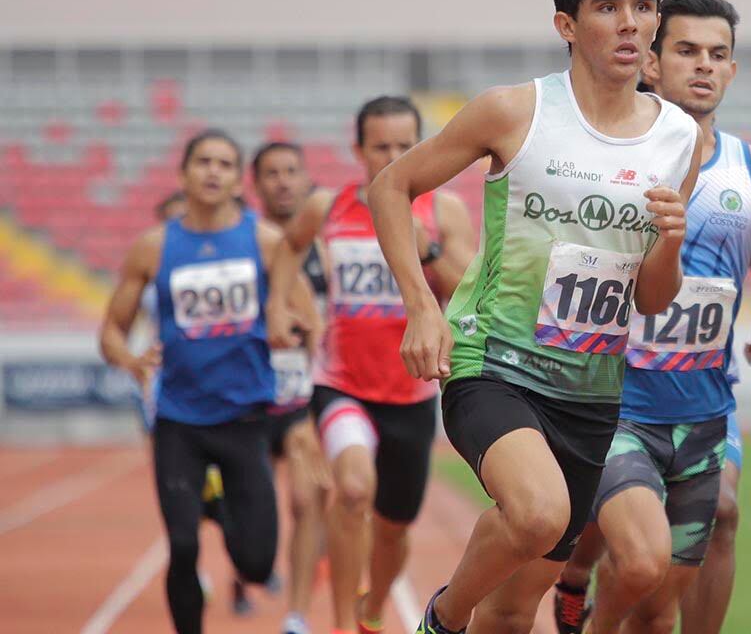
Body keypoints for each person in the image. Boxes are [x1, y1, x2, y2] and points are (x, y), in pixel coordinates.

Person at [367, 0, 703, 634]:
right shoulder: (515, 111)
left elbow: (651, 297)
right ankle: (443, 619)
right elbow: (391, 186)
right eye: (608, 7)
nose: (630, 23)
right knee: (539, 512)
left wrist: (670, 242)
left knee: (517, 609)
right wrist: (421, 308)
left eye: (643, 6)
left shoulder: (678, 137)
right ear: (567, 25)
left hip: (590, 392)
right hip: (494, 364)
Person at [550, 0, 751, 634]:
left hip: (704, 392)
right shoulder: (617, 155)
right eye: (686, 50)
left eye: (718, 54)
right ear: (651, 62)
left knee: (720, 519)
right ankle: (578, 573)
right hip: (617, 393)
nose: (704, 65)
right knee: (635, 546)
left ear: (732, 69)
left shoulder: (748, 163)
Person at [267, 97, 475, 634]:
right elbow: (288, 248)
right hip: (342, 386)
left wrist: (429, 252)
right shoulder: (328, 207)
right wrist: (278, 306)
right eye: (380, 146)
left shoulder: (443, 211)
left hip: (412, 391)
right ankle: (342, 624)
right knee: (354, 490)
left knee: (393, 528)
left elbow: (472, 289)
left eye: (405, 145)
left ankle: (372, 608)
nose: (393, 156)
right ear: (358, 150)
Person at [99, 129, 320, 634]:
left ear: (238, 180)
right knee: (182, 545)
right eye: (203, 162)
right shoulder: (154, 247)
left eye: (224, 163)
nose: (213, 171)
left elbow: (309, 319)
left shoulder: (265, 242)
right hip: (178, 420)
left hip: (246, 419)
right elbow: (111, 329)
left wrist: (288, 327)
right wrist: (131, 360)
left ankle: (220, 508)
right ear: (183, 175)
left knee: (257, 564)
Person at [252, 141, 332, 634]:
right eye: (271, 173)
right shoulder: (246, 242)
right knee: (246, 514)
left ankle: (296, 615)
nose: (282, 182)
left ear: (305, 179)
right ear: (256, 184)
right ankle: (249, 566)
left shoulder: (322, 246)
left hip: (305, 391)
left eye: (290, 171)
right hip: (248, 393)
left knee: (307, 499)